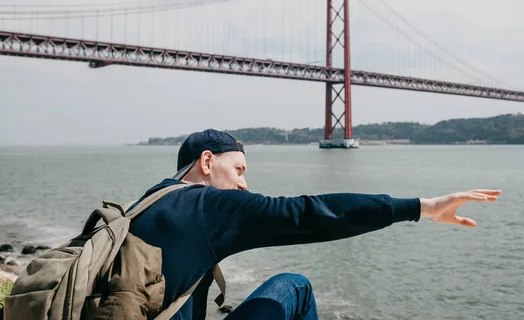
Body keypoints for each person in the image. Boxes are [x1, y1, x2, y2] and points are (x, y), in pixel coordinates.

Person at [127, 129, 501, 320]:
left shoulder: (145, 203)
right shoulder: (205, 204)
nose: (244, 183)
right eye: (238, 169)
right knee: (295, 287)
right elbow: (310, 214)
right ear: (206, 163)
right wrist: (424, 207)